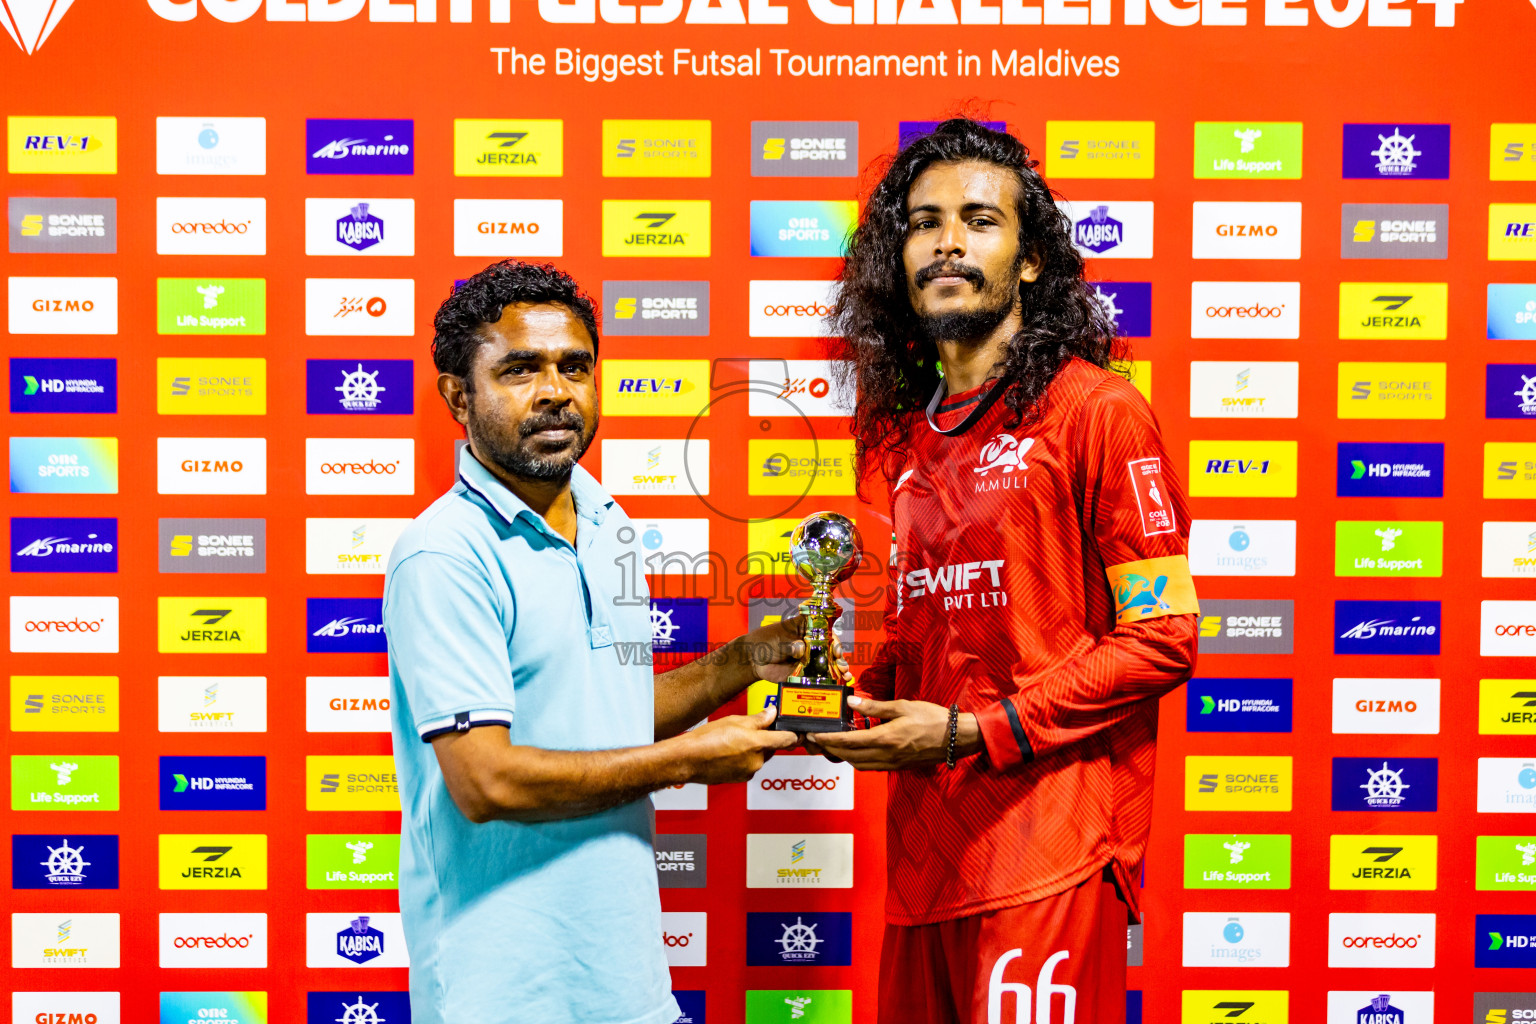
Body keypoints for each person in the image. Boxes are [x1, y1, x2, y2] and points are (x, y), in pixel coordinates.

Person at [815, 119, 1199, 1023]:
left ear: (1031, 262)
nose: (948, 239)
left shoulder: (1097, 412)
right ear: (895, 259)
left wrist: (972, 733)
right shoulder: (901, 437)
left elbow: (1163, 638)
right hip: (921, 872)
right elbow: (911, 650)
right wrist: (827, 687)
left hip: (1045, 858)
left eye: (980, 220)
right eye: (923, 221)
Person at [384, 260, 802, 1024]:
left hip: (631, 988)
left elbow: (606, 717)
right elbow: (487, 781)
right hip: (505, 995)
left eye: (574, 367)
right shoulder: (443, 554)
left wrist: (751, 659)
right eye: (519, 369)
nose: (555, 391)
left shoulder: (606, 522)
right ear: (457, 395)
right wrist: (688, 761)